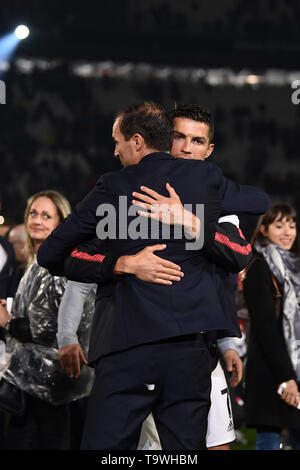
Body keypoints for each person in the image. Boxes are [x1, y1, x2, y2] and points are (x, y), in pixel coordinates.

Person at [38, 101, 268, 450]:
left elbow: (50, 253)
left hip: (124, 348)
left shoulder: (113, 187)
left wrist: (119, 262)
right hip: (188, 351)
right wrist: (129, 260)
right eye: (180, 138)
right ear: (168, 138)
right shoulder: (207, 180)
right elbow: (259, 202)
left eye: (117, 141)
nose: (114, 150)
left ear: (137, 141)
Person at [0, 190, 93, 450]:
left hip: (52, 385)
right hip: (35, 384)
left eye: (46, 215)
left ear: (61, 222)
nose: (37, 220)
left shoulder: (57, 265)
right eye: (33, 213)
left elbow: (50, 328)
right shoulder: (37, 262)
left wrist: (7, 320)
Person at [243, 203, 300, 450]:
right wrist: (286, 378)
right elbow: (265, 327)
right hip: (272, 373)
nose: (287, 232)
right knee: (269, 439)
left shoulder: (295, 267)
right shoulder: (259, 268)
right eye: (279, 225)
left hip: (295, 368)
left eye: (292, 225)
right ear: (264, 230)